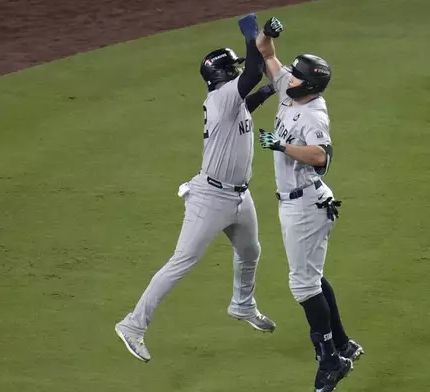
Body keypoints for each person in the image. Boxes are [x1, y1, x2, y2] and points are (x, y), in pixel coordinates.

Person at [114, 13, 279, 363]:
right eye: (231, 67)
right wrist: (253, 34)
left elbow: (248, 102)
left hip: (238, 195)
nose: (237, 70)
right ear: (221, 74)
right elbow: (252, 72)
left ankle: (242, 306)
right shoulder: (221, 97)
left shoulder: (230, 102)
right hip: (211, 197)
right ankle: (132, 325)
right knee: (181, 262)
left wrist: (267, 90)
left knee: (251, 252)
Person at [255, 17, 364, 392]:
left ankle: (331, 361)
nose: (289, 77)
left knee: (303, 286)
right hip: (303, 201)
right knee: (312, 278)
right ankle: (344, 343)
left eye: (297, 75)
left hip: (305, 206)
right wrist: (270, 32)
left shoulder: (314, 114)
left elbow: (322, 156)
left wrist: (280, 145)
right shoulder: (290, 87)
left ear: (311, 85)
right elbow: (265, 52)